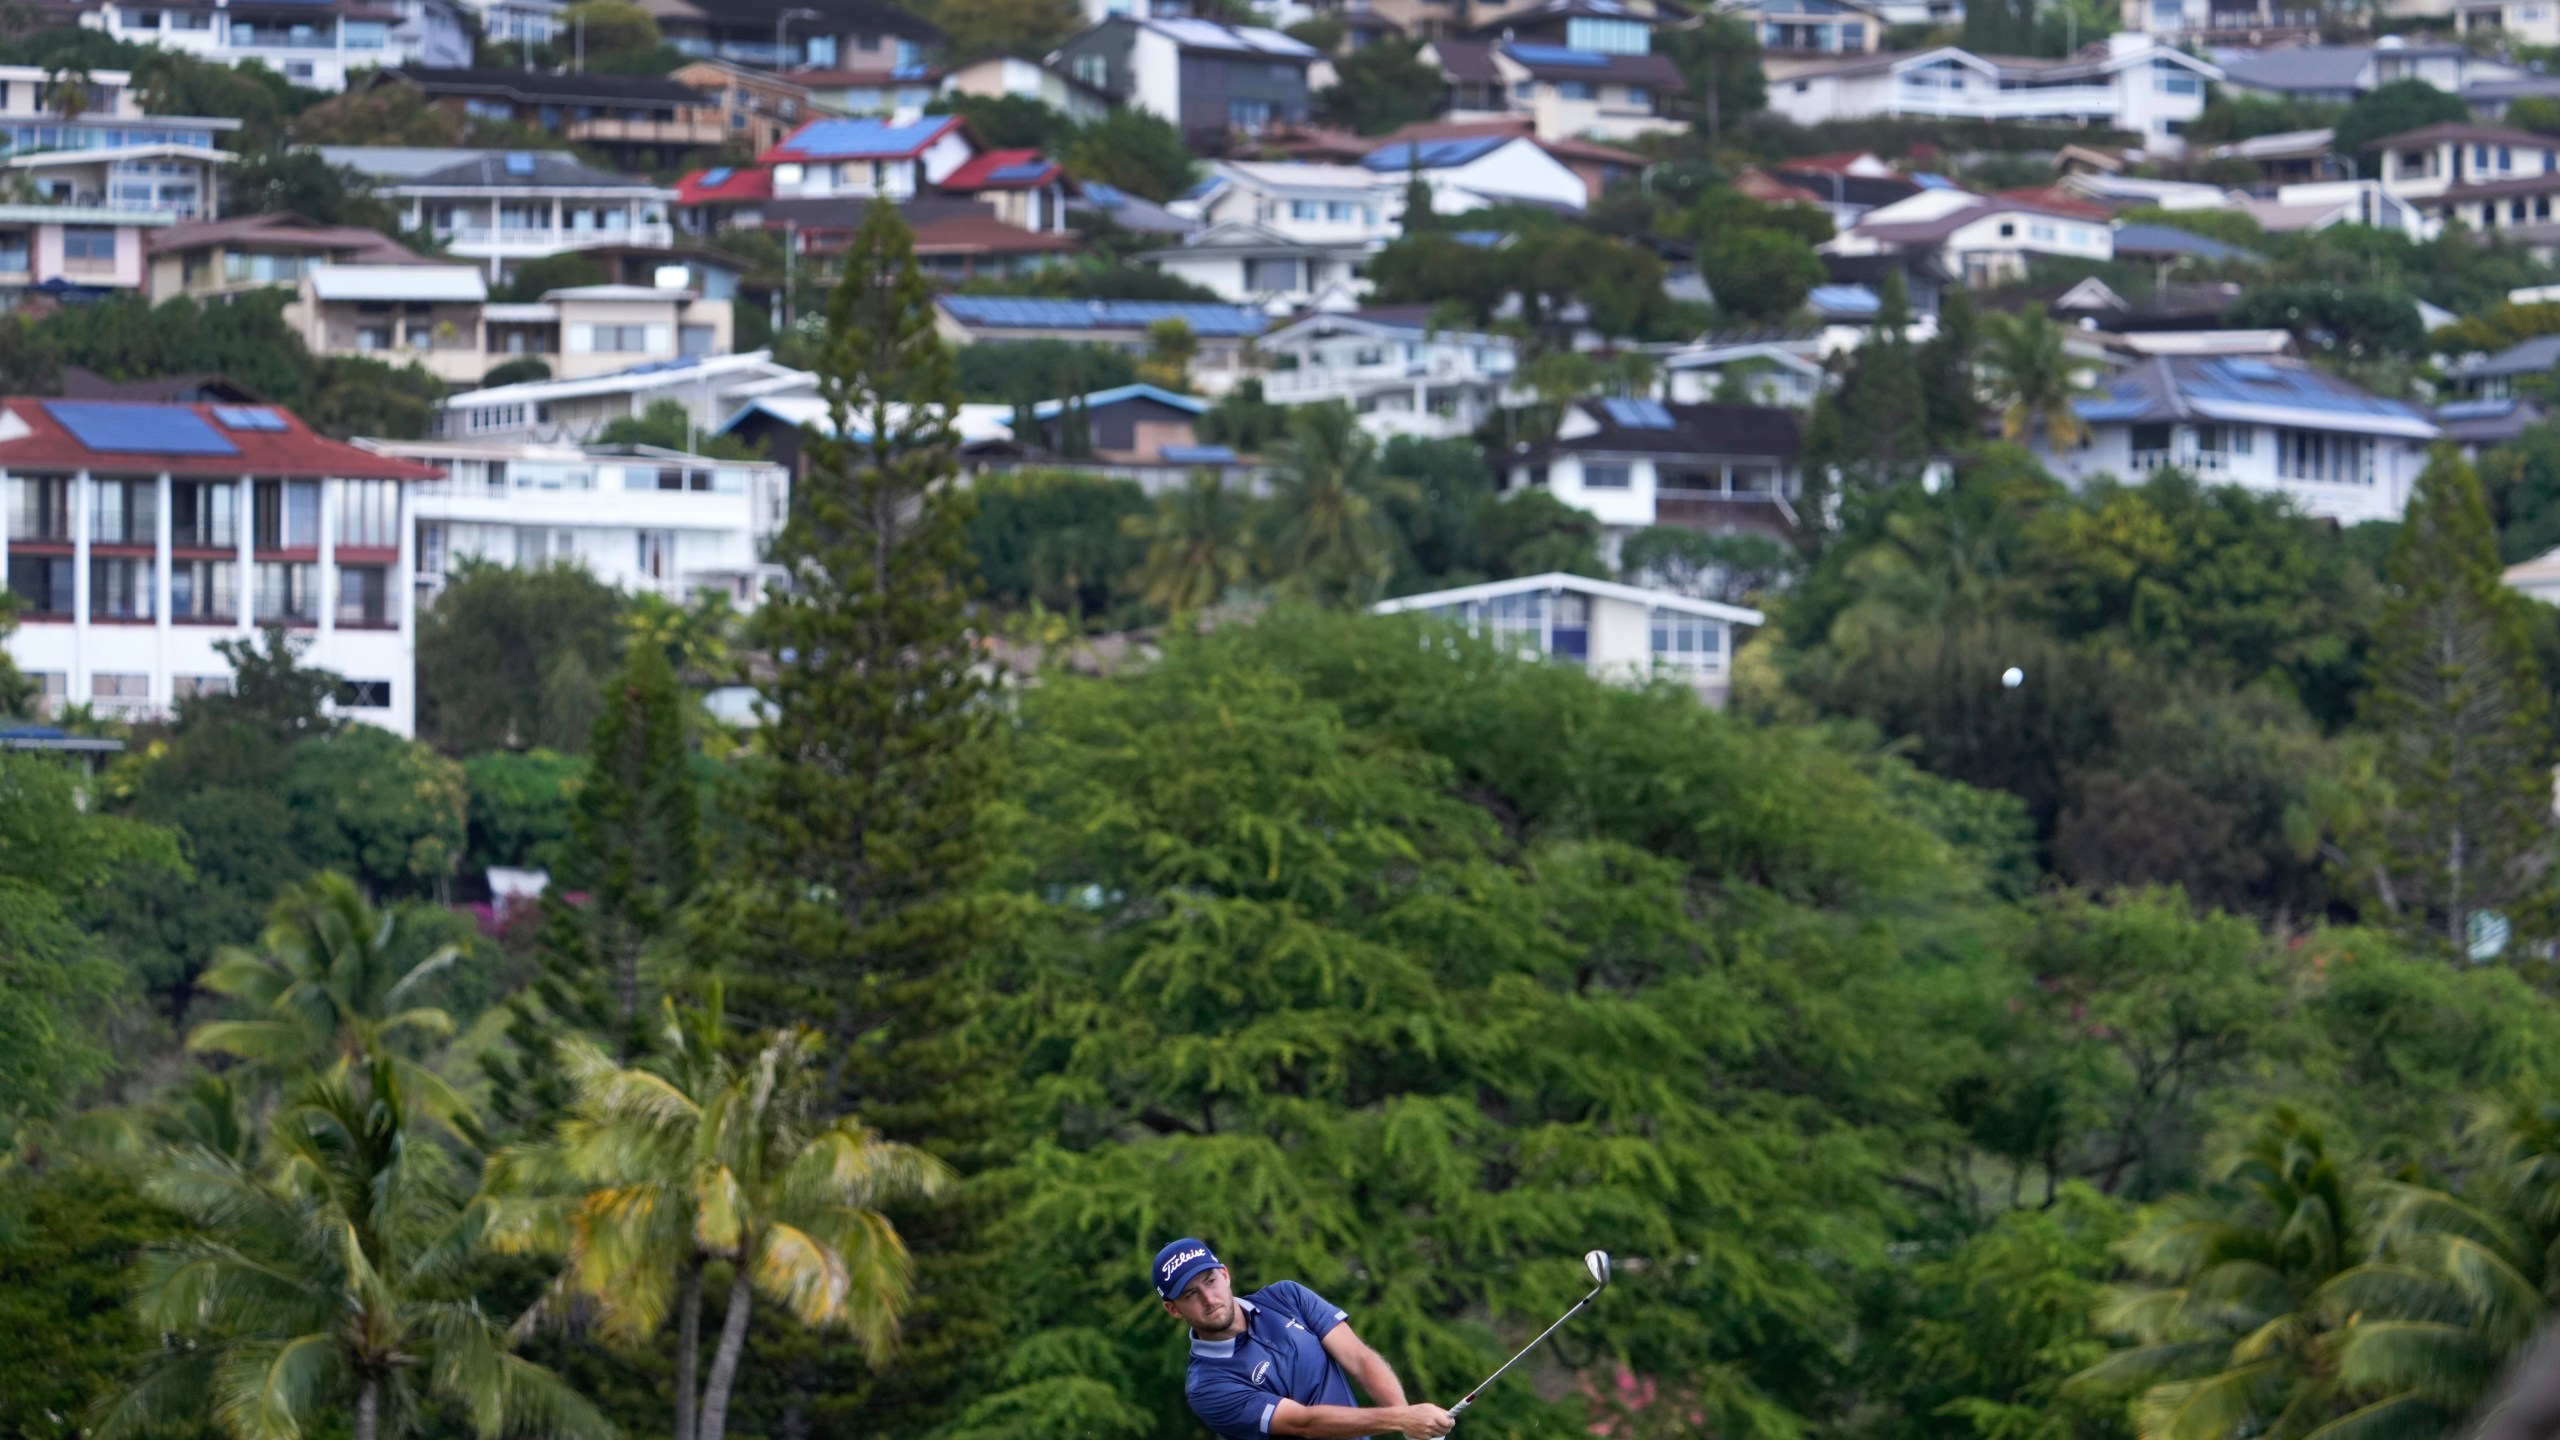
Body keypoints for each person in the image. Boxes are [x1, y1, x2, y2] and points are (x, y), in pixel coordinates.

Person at [1155, 1237, 1456, 1440]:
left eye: (1210, 1281)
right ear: (1173, 1309)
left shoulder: (1287, 1297)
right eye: (1191, 1294)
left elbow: (1360, 1359)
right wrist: (1401, 1419)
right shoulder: (1207, 1386)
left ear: (1225, 1274)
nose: (1209, 1299)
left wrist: (1407, 1419)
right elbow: (1305, 1423)